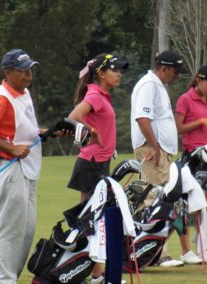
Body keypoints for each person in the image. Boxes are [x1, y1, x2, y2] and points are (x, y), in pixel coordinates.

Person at [0, 49, 45, 283]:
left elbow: (24, 131)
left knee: (25, 232)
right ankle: (2, 280)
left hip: (27, 169)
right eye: (22, 71)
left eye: (30, 69)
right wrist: (11, 148)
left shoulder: (23, 93)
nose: (28, 75)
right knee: (10, 232)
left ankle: (9, 278)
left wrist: (48, 133)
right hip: (10, 168)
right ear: (8, 72)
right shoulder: (2, 98)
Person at [67, 53, 128, 283]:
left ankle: (94, 273)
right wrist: (91, 133)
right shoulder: (95, 93)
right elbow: (73, 117)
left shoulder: (102, 94)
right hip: (91, 164)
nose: (119, 74)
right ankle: (94, 274)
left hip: (99, 162)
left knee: (95, 220)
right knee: (92, 221)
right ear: (101, 73)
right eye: (115, 70)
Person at [131, 50, 186, 267]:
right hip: (152, 149)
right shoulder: (149, 84)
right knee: (152, 199)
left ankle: (152, 251)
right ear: (165, 68)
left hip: (159, 149)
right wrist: (154, 146)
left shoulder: (157, 85)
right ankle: (155, 252)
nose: (177, 76)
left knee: (159, 199)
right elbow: (142, 118)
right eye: (175, 71)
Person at [175, 63, 207, 264]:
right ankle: (186, 251)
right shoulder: (185, 99)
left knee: (205, 204)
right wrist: (202, 122)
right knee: (186, 205)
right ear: (200, 80)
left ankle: (202, 248)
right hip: (192, 155)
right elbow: (178, 128)